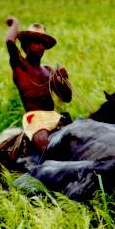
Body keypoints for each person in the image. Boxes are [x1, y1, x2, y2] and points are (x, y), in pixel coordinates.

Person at [5, 16, 72, 153]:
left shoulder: (49, 71)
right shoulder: (20, 66)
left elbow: (67, 98)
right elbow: (9, 42)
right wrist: (15, 23)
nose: (41, 47)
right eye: (36, 43)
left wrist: (64, 79)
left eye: (43, 44)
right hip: (35, 119)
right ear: (27, 44)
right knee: (47, 148)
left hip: (54, 116)